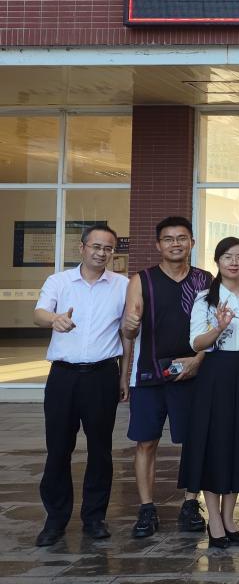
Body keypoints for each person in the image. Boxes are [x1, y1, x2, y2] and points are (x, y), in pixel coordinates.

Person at [33, 224, 129, 547]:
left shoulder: (122, 286)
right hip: (63, 377)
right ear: (82, 248)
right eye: (96, 246)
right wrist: (54, 319)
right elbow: (39, 313)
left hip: (102, 376)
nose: (102, 253)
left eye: (108, 248)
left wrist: (124, 376)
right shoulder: (59, 281)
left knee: (100, 449)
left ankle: (94, 517)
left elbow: (127, 335)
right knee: (58, 448)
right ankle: (55, 519)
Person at [121, 216, 212, 539]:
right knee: (146, 441)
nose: (176, 244)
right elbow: (129, 328)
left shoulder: (204, 280)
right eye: (169, 239)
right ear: (158, 245)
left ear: (192, 242)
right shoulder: (141, 280)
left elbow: (214, 329)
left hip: (193, 374)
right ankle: (146, 508)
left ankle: (191, 503)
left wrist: (198, 361)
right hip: (149, 374)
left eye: (182, 238)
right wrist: (129, 327)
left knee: (194, 441)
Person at [179, 237, 239, 549]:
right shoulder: (206, 298)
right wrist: (218, 328)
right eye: (227, 257)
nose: (234, 262)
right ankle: (214, 520)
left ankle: (230, 518)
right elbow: (196, 343)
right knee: (214, 444)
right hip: (215, 374)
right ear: (217, 261)